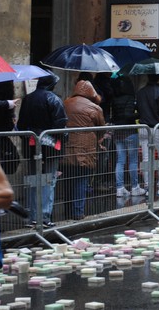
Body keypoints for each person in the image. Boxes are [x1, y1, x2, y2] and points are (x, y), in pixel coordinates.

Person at [18, 70, 68, 228]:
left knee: (34, 181)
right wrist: (62, 142)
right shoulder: (53, 99)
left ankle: (33, 217)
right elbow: (60, 125)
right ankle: (44, 217)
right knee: (48, 181)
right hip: (51, 146)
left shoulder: (27, 98)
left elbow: (21, 125)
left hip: (31, 146)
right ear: (52, 84)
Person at [62, 80, 106, 220]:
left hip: (67, 148)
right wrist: (97, 140)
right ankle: (78, 212)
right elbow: (101, 129)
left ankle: (67, 212)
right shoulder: (95, 108)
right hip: (85, 150)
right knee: (81, 180)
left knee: (68, 180)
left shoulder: (65, 103)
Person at [110, 76, 145, 197]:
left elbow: (114, 116)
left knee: (120, 161)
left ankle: (120, 188)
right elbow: (128, 115)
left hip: (118, 132)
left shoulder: (114, 99)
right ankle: (135, 187)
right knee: (133, 161)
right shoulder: (130, 98)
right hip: (130, 132)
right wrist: (139, 114)